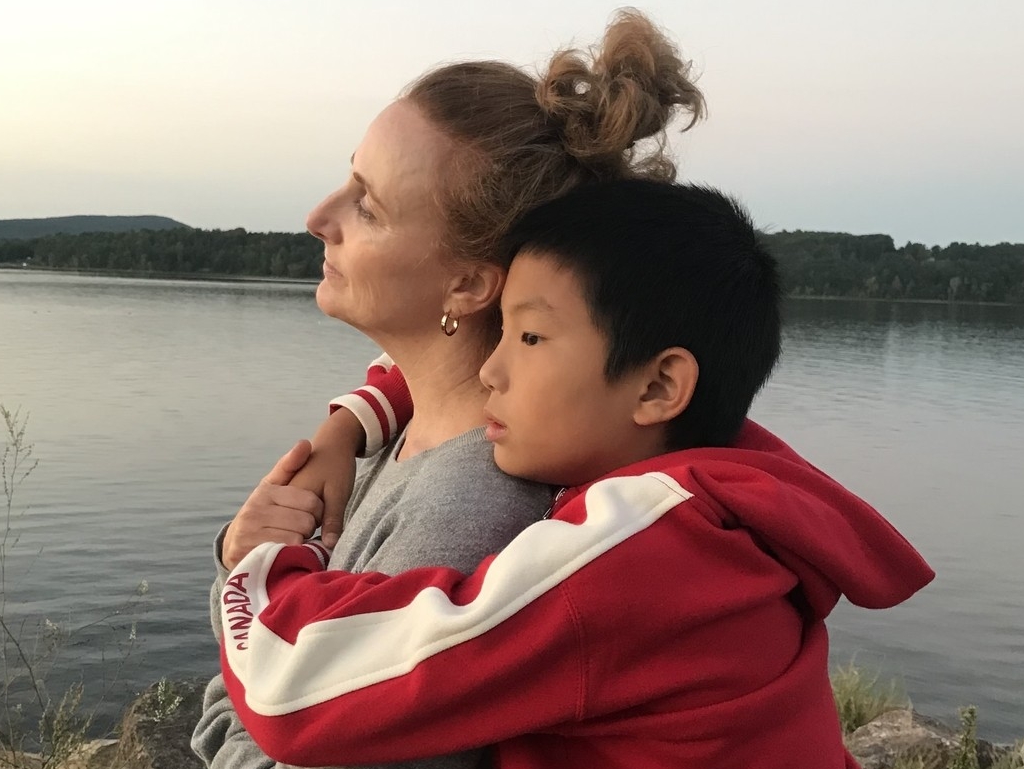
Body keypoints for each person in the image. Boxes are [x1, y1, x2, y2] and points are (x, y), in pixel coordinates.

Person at [217, 179, 936, 769]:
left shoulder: (633, 563)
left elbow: (295, 688)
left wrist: (265, 559)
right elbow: (451, 378)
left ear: (657, 388)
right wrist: (352, 422)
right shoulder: (719, 478)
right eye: (496, 329)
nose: (491, 369)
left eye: (528, 336)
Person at [191, 9, 707, 769]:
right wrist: (343, 433)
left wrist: (244, 574)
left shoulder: (467, 519)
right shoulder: (417, 430)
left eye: (367, 203)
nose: (318, 217)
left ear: (467, 284)